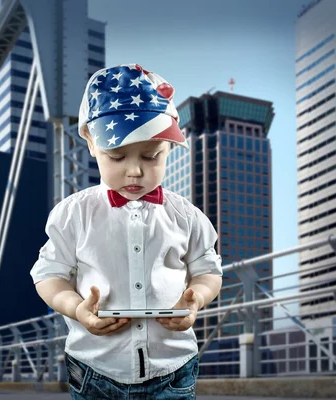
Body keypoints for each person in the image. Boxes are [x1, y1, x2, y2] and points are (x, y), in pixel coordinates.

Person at [29, 63, 223, 400]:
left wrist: (197, 300)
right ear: (90, 140)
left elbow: (208, 271)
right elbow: (49, 276)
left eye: (151, 156)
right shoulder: (73, 214)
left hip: (172, 369)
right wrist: (76, 308)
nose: (134, 171)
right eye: (116, 156)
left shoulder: (187, 215)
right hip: (95, 369)